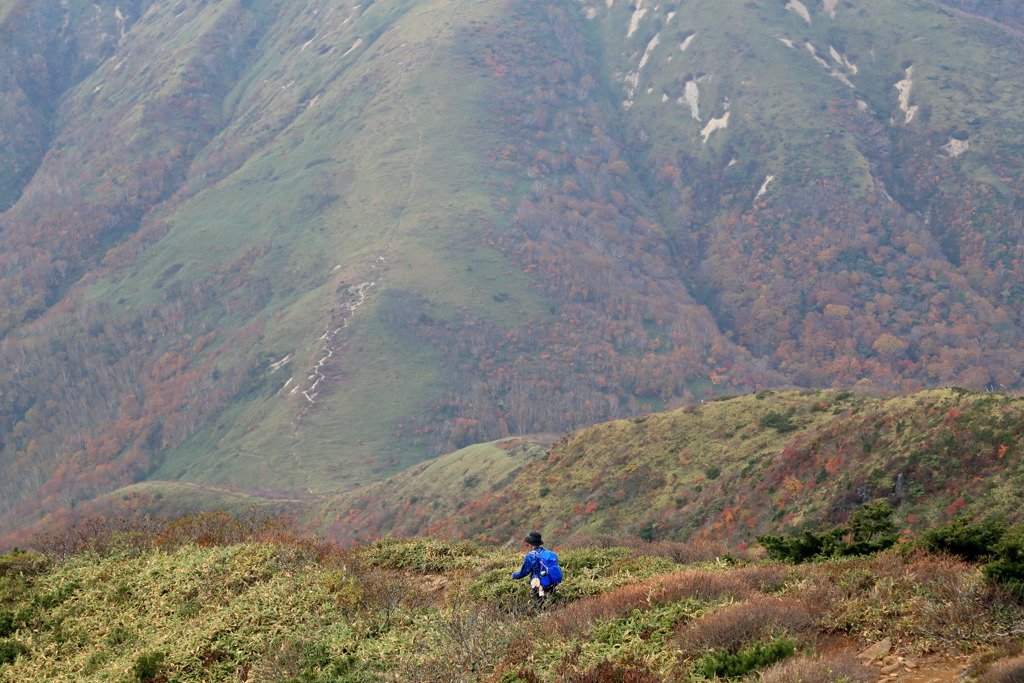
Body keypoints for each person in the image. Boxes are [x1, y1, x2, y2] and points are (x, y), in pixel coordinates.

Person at [511, 531, 561, 608]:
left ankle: (542, 617)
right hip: (551, 581)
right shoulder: (547, 553)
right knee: (553, 602)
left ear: (530, 544)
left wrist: (515, 575)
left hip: (538, 583)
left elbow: (524, 572)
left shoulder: (530, 556)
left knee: (540, 605)